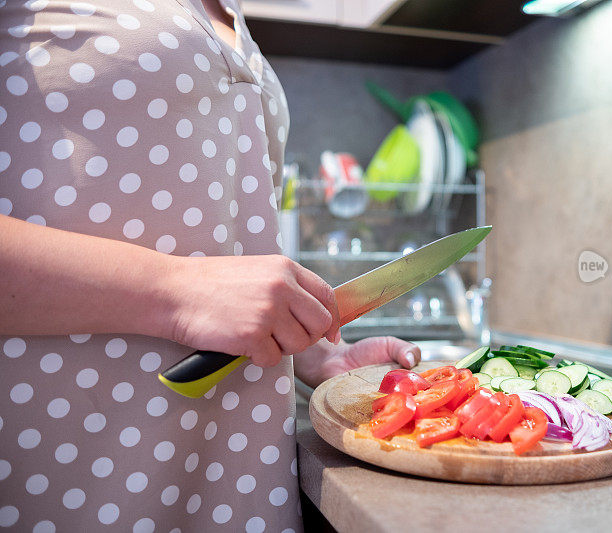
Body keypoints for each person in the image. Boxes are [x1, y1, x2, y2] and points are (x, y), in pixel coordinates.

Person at [0, 0, 421, 530]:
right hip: (69, 465)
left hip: (235, 477)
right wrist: (174, 292)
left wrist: (309, 352)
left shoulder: (230, 8)